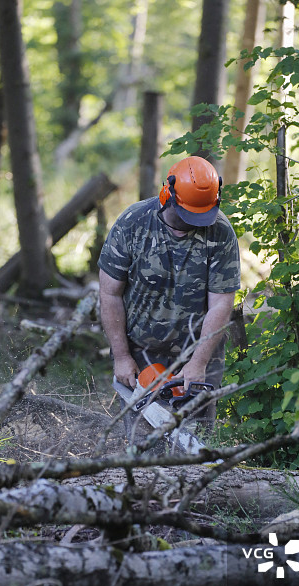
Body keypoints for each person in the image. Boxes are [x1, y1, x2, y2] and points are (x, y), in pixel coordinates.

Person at [98, 155, 240, 421]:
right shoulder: (132, 223)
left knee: (195, 443)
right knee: (139, 439)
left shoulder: (220, 232)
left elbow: (221, 303)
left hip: (199, 350)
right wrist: (121, 355)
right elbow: (109, 293)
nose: (196, 223)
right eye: (189, 215)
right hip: (141, 349)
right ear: (168, 194)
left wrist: (198, 362)